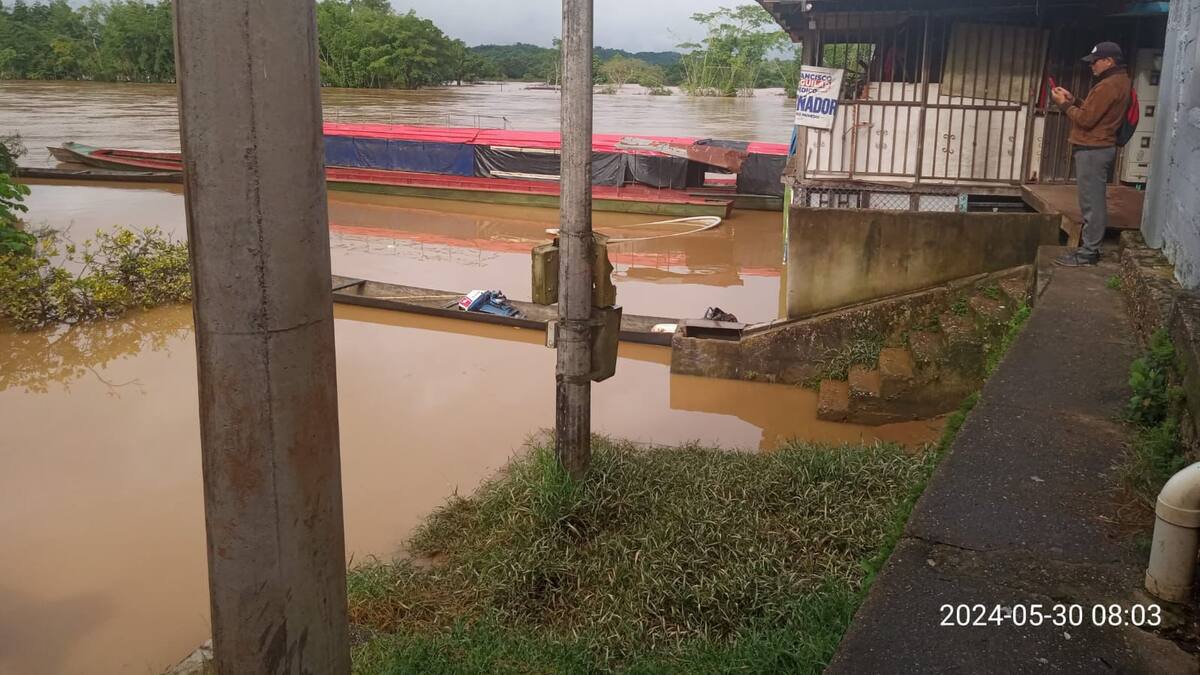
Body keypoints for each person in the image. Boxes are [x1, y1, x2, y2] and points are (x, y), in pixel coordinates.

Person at [1050, 42, 1132, 267]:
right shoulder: (1120, 82)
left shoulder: (1107, 86)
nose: (1092, 65)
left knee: (1092, 204)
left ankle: (1088, 252)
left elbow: (1086, 120)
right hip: (1099, 147)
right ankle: (1089, 249)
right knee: (1092, 201)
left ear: (1109, 61)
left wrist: (1063, 105)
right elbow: (1094, 112)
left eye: (1095, 61)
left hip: (1093, 149)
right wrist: (1073, 99)